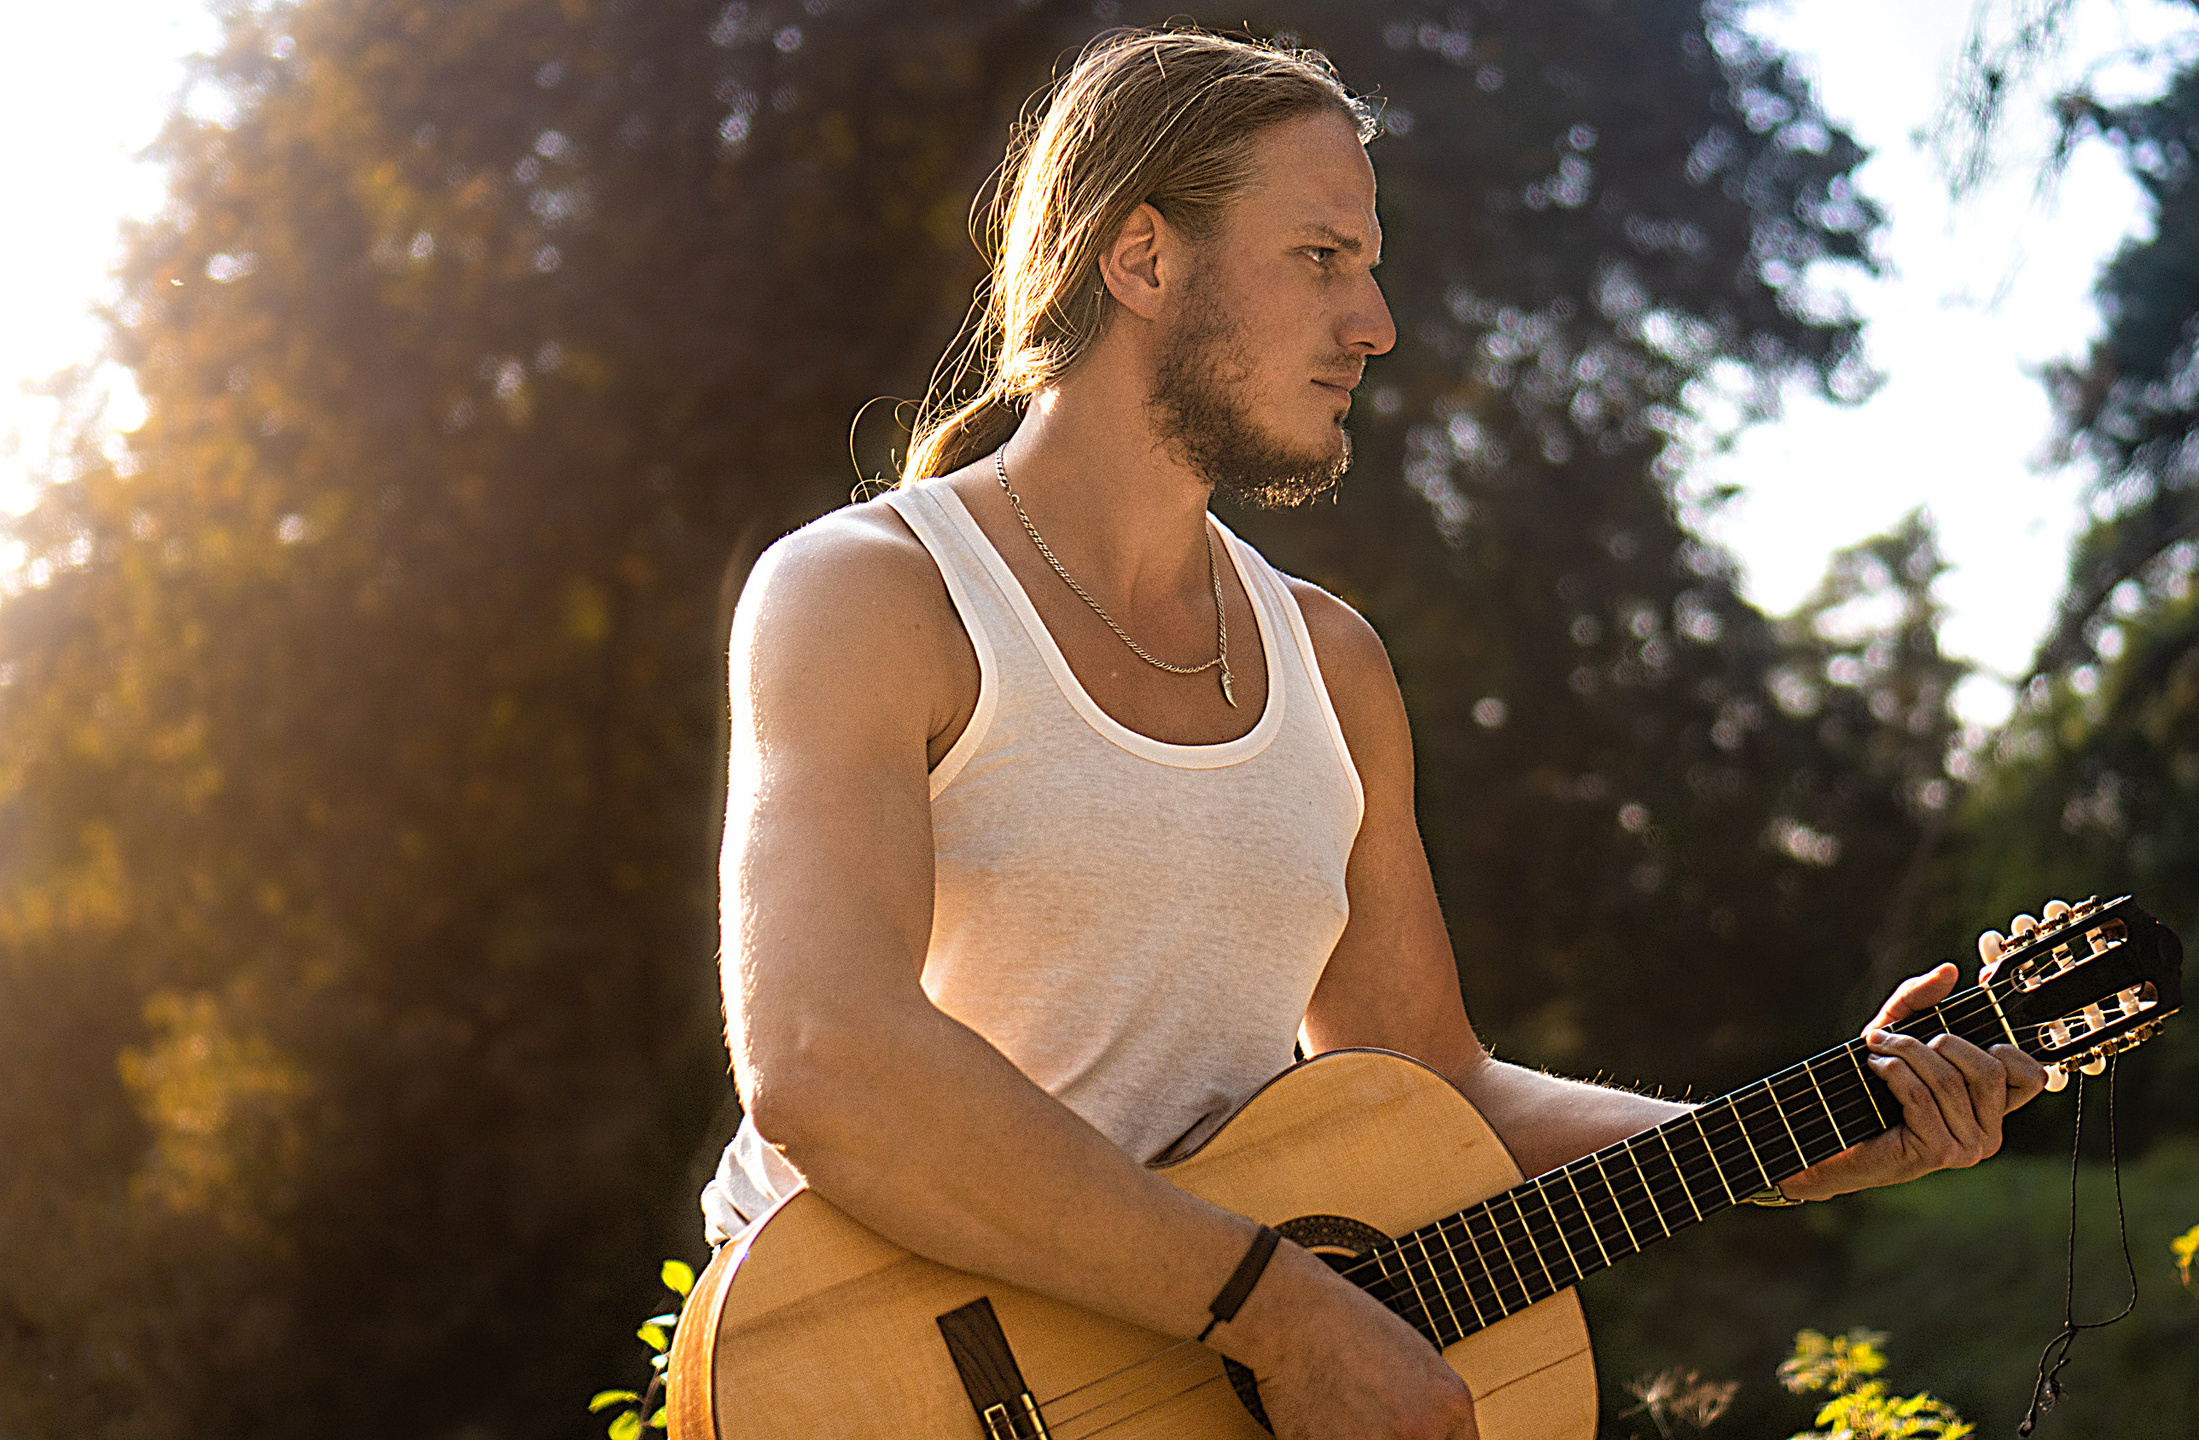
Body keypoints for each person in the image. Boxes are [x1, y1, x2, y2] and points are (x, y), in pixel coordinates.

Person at [700, 26, 2052, 1440]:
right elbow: (821, 1052)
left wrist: (1791, 1144)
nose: (1376, 324)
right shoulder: (872, 593)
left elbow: (1432, 1084)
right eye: (1321, 258)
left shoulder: (1332, 666)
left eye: (1369, 263)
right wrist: (1278, 1309)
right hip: (860, 1378)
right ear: (1143, 258)